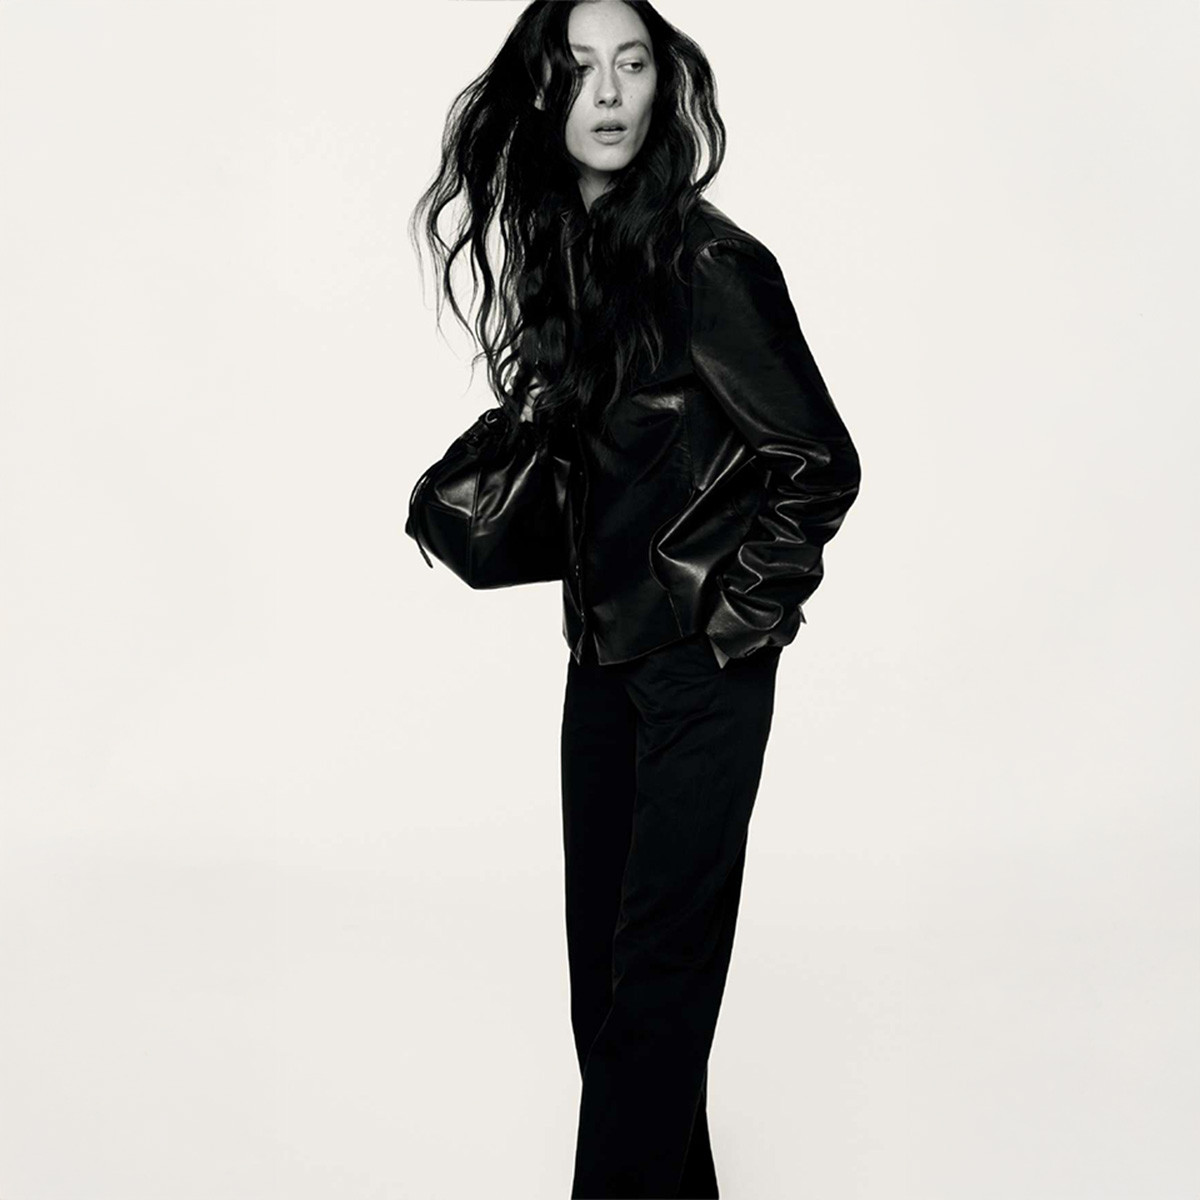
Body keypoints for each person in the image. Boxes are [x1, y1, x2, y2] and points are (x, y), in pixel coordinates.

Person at [410, 2, 862, 1195]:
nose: (609, 92)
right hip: (600, 665)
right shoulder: (574, 256)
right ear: (542, 95)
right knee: (606, 1007)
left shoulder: (710, 263)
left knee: (651, 1010)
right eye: (579, 70)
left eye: (632, 64)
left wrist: (735, 632)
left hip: (698, 674)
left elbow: (819, 461)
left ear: (664, 85)